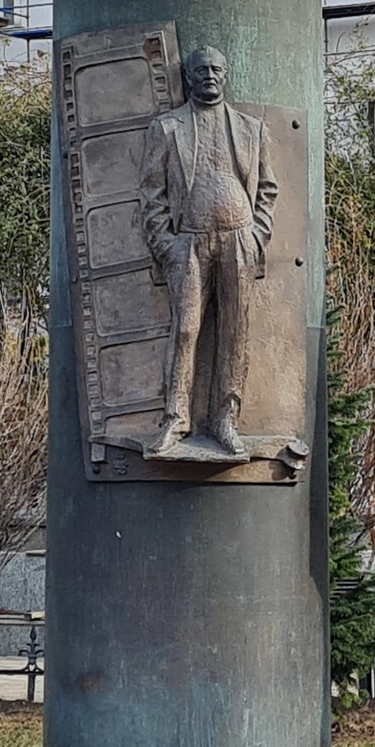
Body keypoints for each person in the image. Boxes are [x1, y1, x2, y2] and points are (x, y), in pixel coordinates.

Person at [137, 45, 277, 458]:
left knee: (234, 329)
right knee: (185, 329)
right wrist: (168, 245)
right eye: (201, 70)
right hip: (190, 244)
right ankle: (175, 419)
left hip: (238, 241)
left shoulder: (253, 129)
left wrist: (256, 236)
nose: (209, 76)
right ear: (189, 77)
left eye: (216, 69)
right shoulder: (167, 128)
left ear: (226, 74)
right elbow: (151, 193)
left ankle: (224, 419)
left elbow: (267, 191)